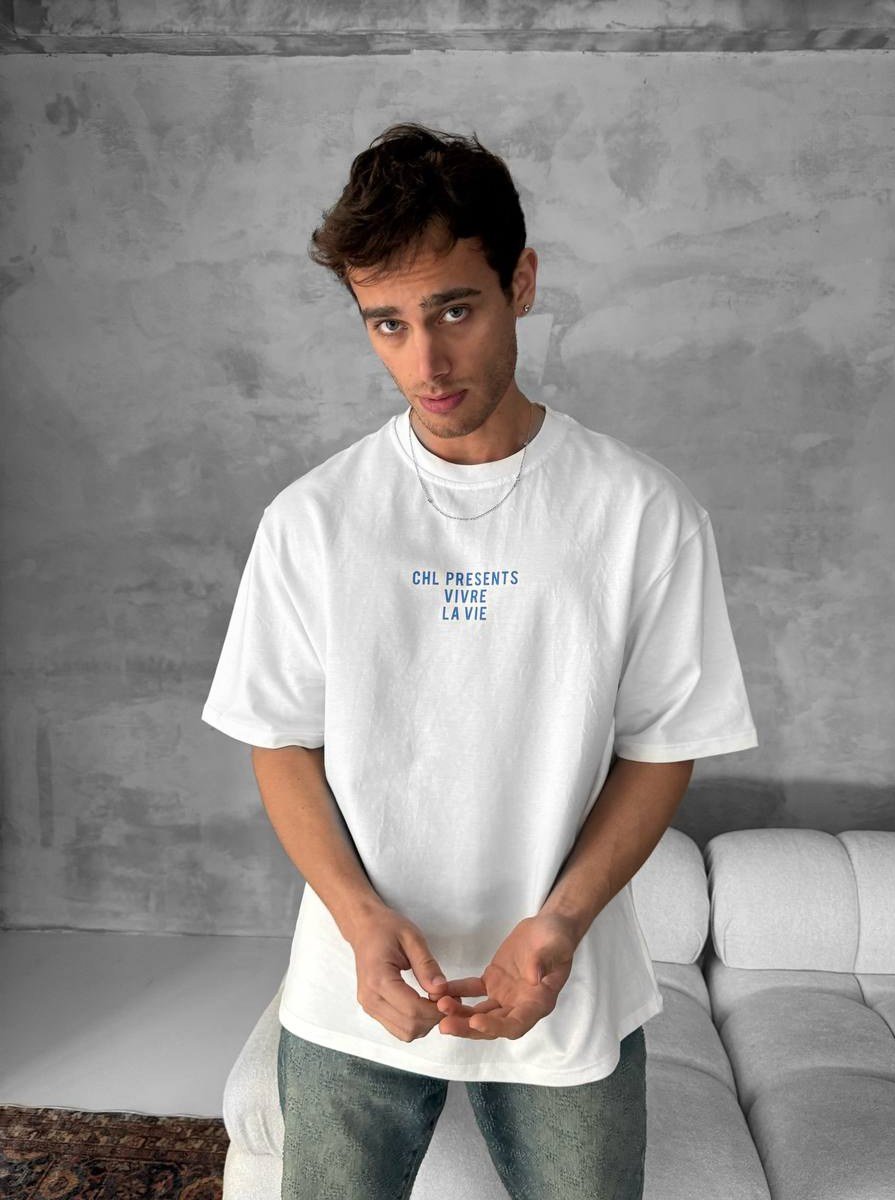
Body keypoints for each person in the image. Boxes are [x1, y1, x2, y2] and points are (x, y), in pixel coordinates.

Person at [201, 121, 759, 1199]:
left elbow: (661, 747)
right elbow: (280, 740)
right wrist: (358, 920)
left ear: (521, 283)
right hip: (353, 984)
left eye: (454, 310)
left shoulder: (641, 513)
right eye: (388, 324)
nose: (426, 362)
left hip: (566, 980)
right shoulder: (312, 520)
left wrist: (562, 921)